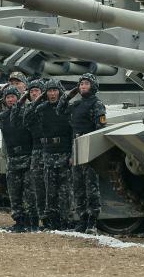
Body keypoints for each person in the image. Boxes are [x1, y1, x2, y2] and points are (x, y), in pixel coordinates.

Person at [58, 73, 107, 234]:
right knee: (78, 186)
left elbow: (100, 129)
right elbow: (60, 111)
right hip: (76, 146)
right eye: (81, 84)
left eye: (86, 84)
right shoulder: (77, 104)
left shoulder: (97, 104)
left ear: (92, 86)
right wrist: (67, 96)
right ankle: (82, 220)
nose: (82, 87)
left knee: (91, 187)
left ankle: (92, 222)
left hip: (89, 147)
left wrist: (94, 153)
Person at [24, 80, 74, 231]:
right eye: (49, 91)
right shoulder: (41, 109)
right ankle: (52, 223)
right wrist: (37, 100)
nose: (52, 94)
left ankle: (66, 222)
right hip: (48, 153)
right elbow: (27, 120)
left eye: (55, 91)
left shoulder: (67, 108)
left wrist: (72, 153)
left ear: (59, 92)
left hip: (64, 152)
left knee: (65, 191)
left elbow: (73, 131)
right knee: (49, 191)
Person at [0, 85, 36, 232]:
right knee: (14, 194)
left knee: (29, 193)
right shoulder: (3, 116)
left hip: (27, 157)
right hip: (12, 159)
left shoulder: (26, 113)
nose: (10, 100)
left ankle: (31, 222)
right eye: (7, 97)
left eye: (13, 97)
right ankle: (19, 222)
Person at [22, 79, 45, 230]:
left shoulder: (50, 107)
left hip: (52, 149)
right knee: (34, 186)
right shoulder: (29, 109)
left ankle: (55, 220)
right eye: (31, 91)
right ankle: (35, 219)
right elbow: (25, 123)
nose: (34, 93)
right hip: (35, 150)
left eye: (37, 90)